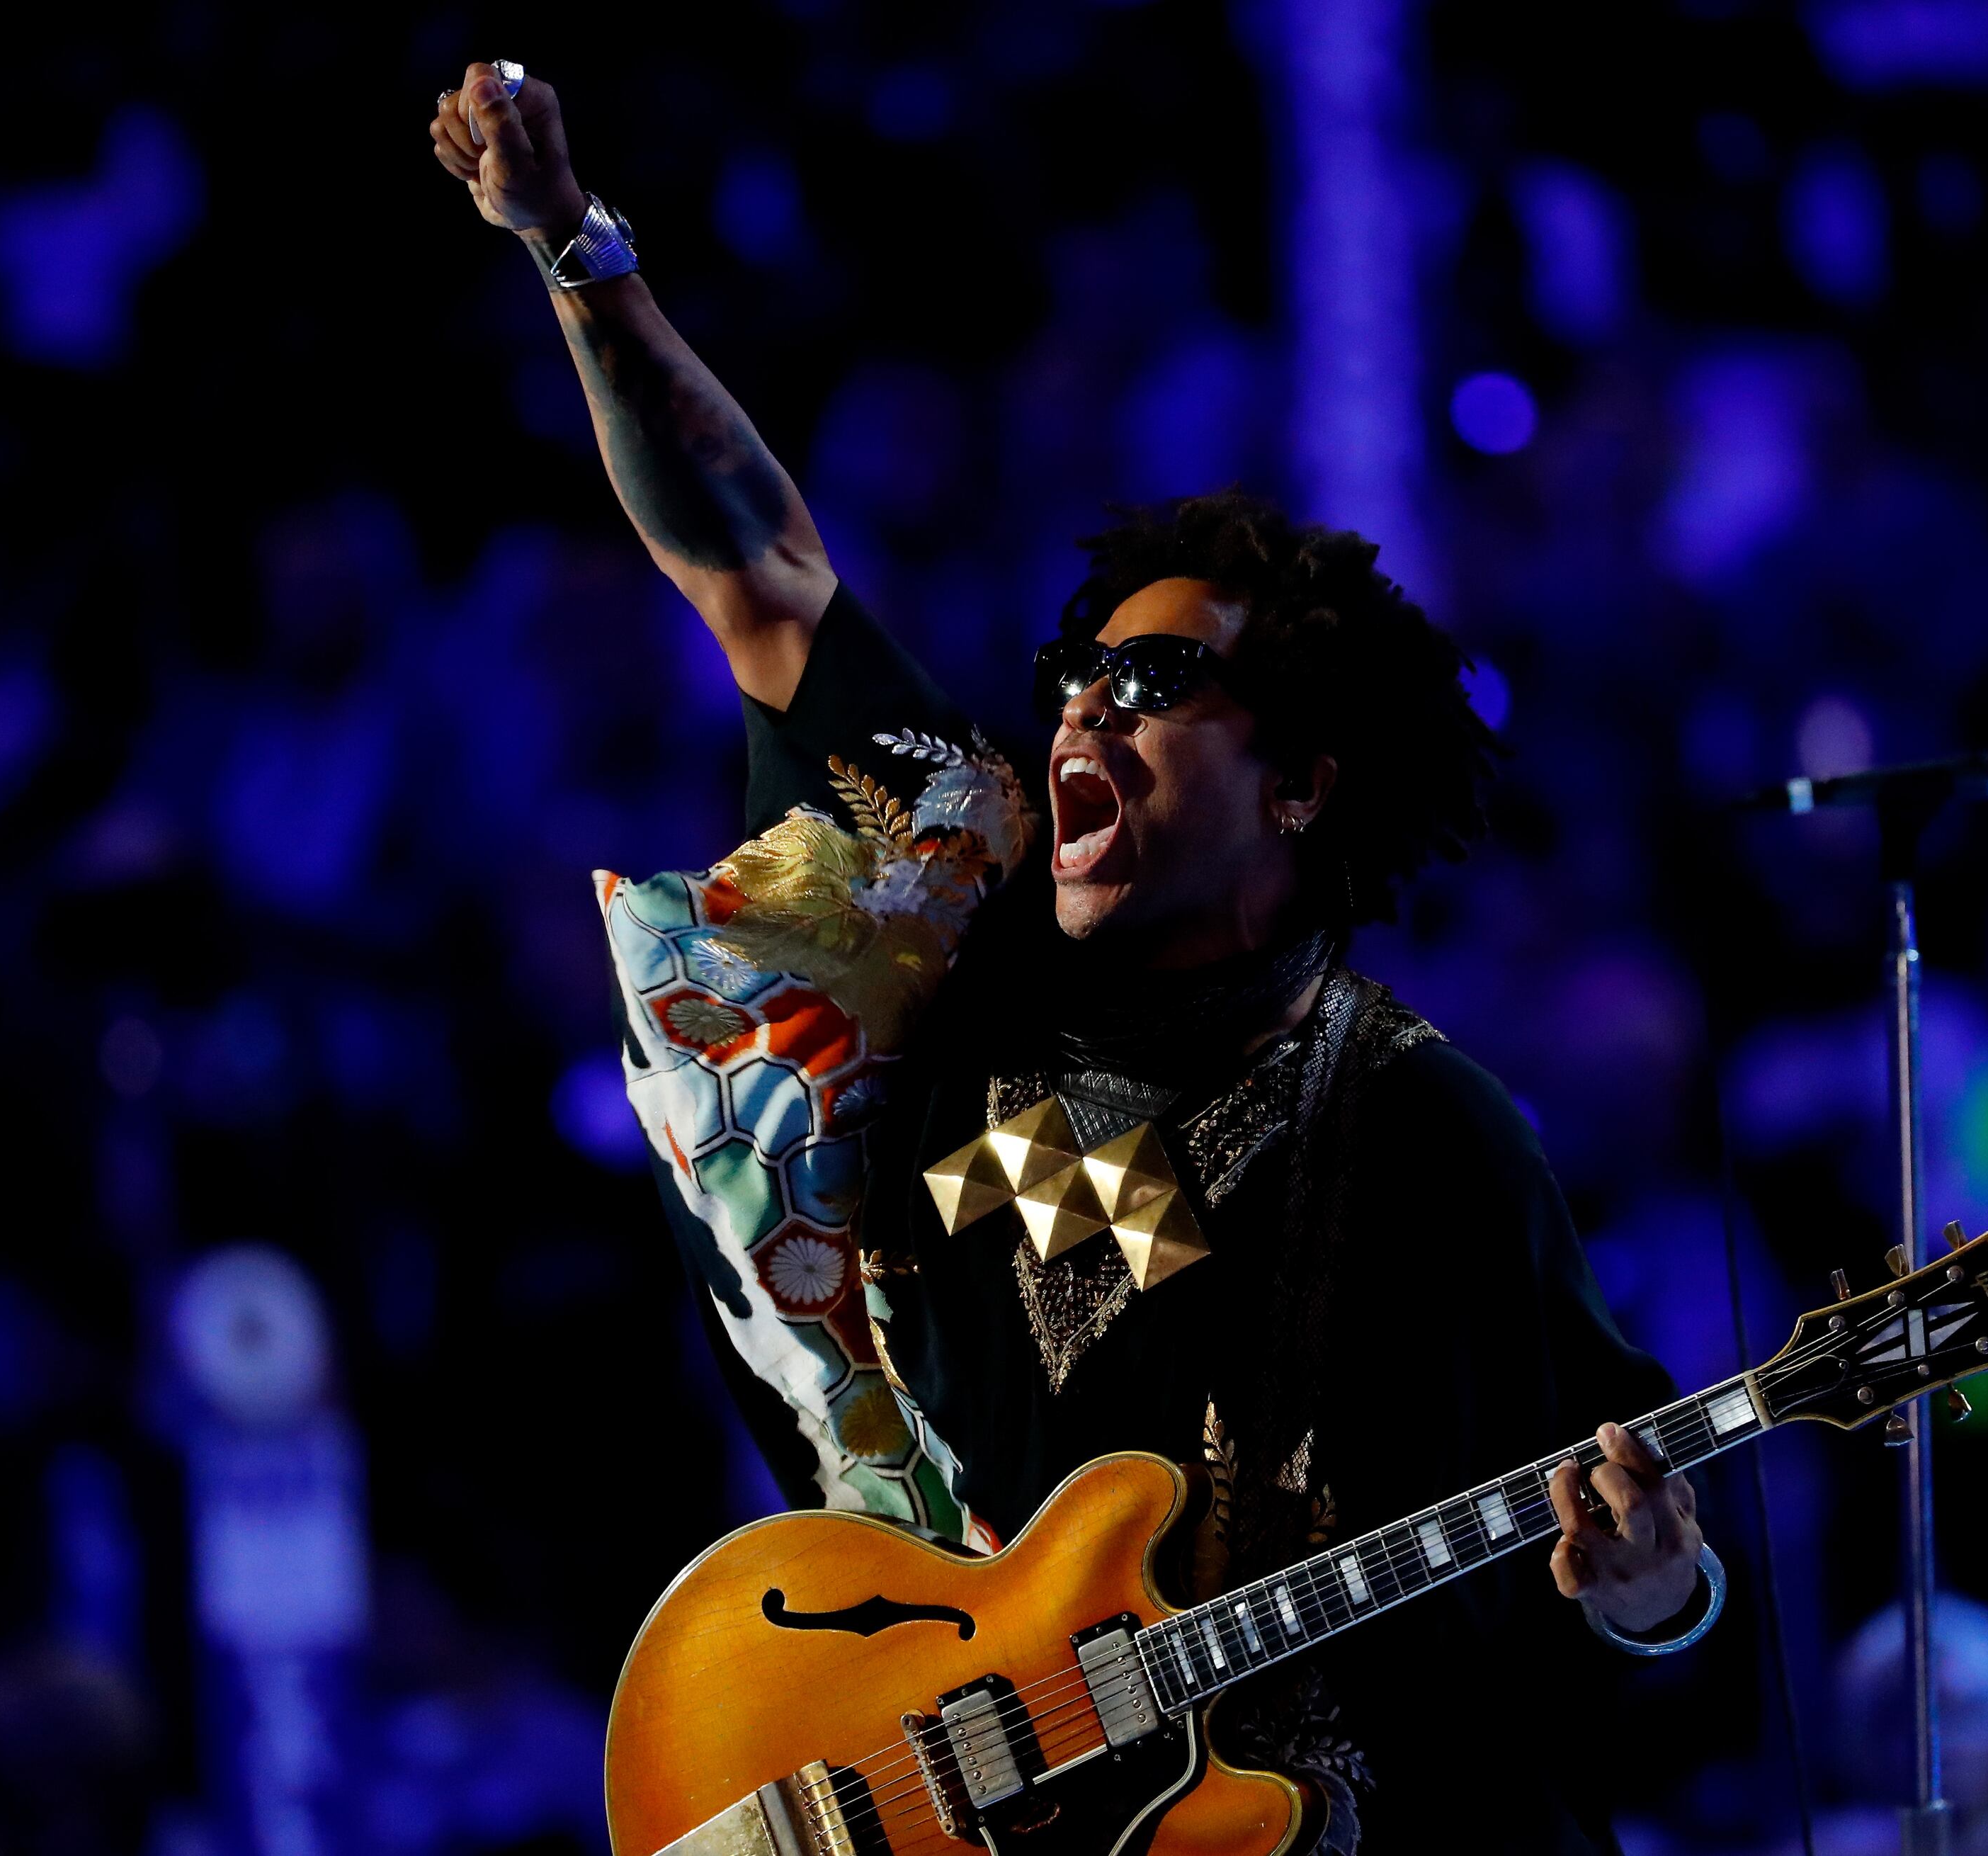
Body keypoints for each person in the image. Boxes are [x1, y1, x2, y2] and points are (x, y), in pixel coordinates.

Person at [429, 60, 1721, 1854]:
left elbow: (1627, 1576)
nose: (1085, 704)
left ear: (1299, 785)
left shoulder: (1432, 1139)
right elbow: (760, 572)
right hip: (918, 1751)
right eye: (1079, 670)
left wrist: (1653, 1585)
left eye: (1160, 679)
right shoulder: (975, 913)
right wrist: (578, 253)